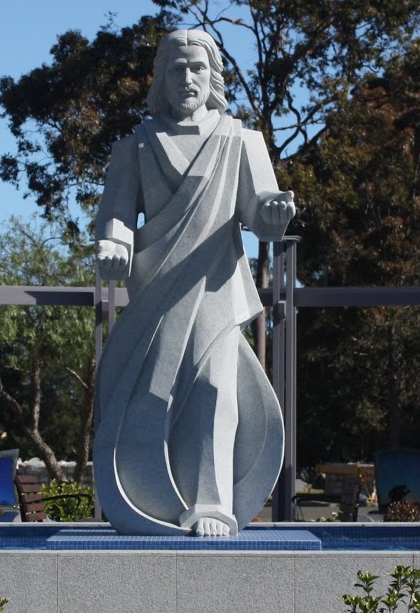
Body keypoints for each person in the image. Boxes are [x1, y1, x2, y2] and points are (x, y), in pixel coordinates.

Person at [94, 28, 296, 536]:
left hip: (215, 289)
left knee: (213, 388)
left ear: (214, 76)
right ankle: (149, 497)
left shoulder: (240, 141)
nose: (188, 78)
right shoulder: (136, 145)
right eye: (177, 68)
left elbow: (261, 213)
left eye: (197, 68)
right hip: (156, 290)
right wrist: (115, 244)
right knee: (152, 396)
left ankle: (211, 503)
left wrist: (273, 211)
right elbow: (115, 214)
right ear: (161, 77)